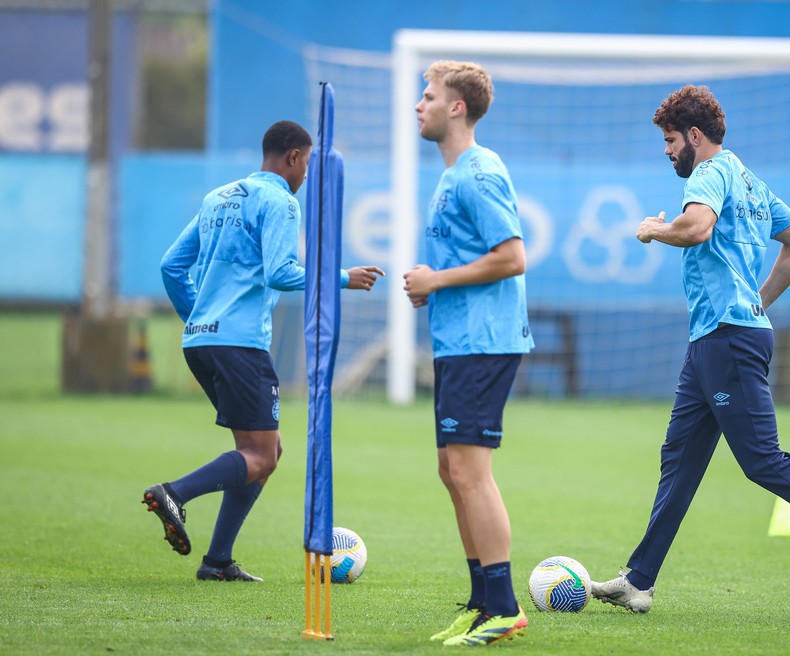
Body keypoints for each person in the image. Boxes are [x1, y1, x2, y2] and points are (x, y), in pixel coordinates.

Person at [590, 85, 790, 615]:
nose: (667, 151)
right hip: (717, 337)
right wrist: (759, 301)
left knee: (762, 461)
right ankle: (638, 582)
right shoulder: (748, 180)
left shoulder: (709, 174)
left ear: (694, 136)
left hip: (728, 340)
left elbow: (695, 228)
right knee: (679, 460)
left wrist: (654, 230)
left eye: (670, 140)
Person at [146, 119, 383, 582]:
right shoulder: (280, 201)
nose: (305, 174)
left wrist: (200, 318)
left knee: (266, 451)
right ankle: (174, 493)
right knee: (261, 456)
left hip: (202, 341)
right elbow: (281, 272)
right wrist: (342, 278)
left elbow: (171, 265)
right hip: (240, 344)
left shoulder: (218, 197)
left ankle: (217, 562)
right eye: (307, 164)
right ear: (294, 156)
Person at [403, 60, 534, 646]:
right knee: (450, 469)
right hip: (459, 341)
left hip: (484, 341)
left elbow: (512, 257)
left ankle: (504, 608)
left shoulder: (479, 172)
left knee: (469, 472)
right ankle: (483, 602)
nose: (419, 105)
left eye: (429, 97)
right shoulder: (453, 174)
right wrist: (434, 285)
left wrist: (436, 280)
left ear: (457, 107)